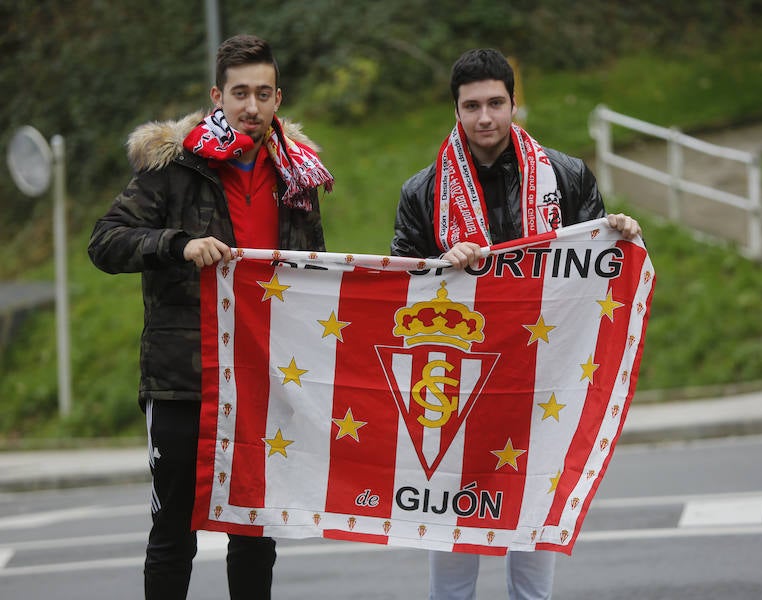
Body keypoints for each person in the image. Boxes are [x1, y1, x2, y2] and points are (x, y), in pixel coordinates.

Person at [88, 34, 333, 600]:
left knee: (254, 534)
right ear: (216, 96)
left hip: (264, 378)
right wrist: (178, 245)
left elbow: (315, 273)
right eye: (240, 93)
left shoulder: (299, 176)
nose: (251, 106)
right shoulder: (175, 166)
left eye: (263, 93)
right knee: (173, 533)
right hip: (184, 380)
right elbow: (106, 243)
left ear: (279, 98)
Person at [391, 48, 642, 600]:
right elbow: (399, 294)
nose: (486, 118)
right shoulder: (423, 192)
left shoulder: (567, 175)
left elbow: (595, 273)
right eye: (472, 105)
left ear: (514, 103)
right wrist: (440, 266)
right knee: (455, 532)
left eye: (496, 103)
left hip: (543, 380)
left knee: (535, 526)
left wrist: (615, 233)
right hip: (456, 387)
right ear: (455, 111)